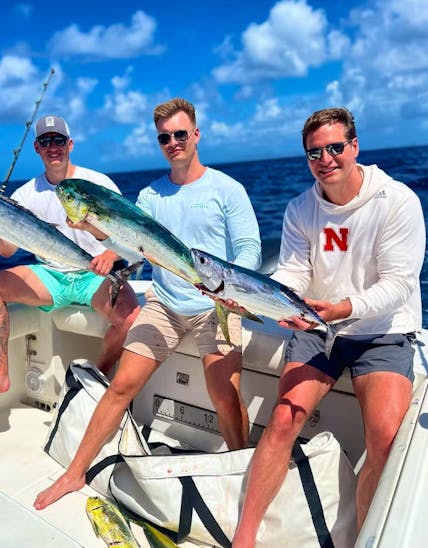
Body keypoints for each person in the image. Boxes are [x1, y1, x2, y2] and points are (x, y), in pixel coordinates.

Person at [33, 97, 261, 510]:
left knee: (224, 393)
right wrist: (94, 230)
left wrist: (224, 289)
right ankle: (74, 473)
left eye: (179, 134)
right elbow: (129, 244)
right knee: (121, 385)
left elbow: (249, 249)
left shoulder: (228, 189)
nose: (173, 142)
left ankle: (241, 472)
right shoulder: (151, 195)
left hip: (216, 307)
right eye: (164, 138)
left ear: (195, 135)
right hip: (166, 304)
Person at [232, 107, 425, 547]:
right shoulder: (301, 207)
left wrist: (342, 308)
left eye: (336, 147)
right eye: (315, 152)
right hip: (318, 328)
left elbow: (398, 286)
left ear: (354, 146)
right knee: (283, 418)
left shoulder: (396, 201)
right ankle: (245, 536)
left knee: (386, 437)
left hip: (382, 332)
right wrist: (262, 297)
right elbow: (295, 273)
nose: (326, 158)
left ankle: (365, 538)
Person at [0, 115, 141, 393]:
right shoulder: (25, 195)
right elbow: (6, 250)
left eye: (58, 140)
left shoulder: (98, 183)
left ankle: (97, 375)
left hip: (94, 276)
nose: (53, 147)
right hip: (52, 276)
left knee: (131, 319)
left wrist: (110, 255)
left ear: (70, 144)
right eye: (45, 141)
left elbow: (130, 234)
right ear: (36, 148)